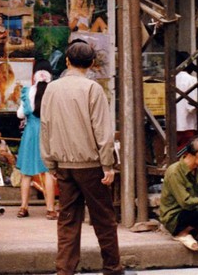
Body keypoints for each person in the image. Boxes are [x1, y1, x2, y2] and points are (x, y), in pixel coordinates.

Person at [40, 40, 124, 275]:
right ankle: (112, 268)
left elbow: (45, 127)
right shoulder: (92, 89)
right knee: (104, 219)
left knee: (67, 220)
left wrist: (50, 163)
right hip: (91, 165)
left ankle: (64, 271)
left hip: (63, 165)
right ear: (91, 63)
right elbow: (102, 131)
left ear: (67, 61)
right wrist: (108, 164)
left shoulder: (52, 88)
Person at [16, 60, 57, 219]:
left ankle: (23, 207)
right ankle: (50, 209)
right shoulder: (52, 92)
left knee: (26, 173)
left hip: (30, 133)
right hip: (47, 133)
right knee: (47, 172)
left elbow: (20, 114)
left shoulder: (27, 92)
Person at [175, 52, 198, 151]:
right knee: (187, 151)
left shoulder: (170, 80)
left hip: (173, 124)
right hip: (188, 124)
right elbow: (191, 106)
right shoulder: (191, 80)